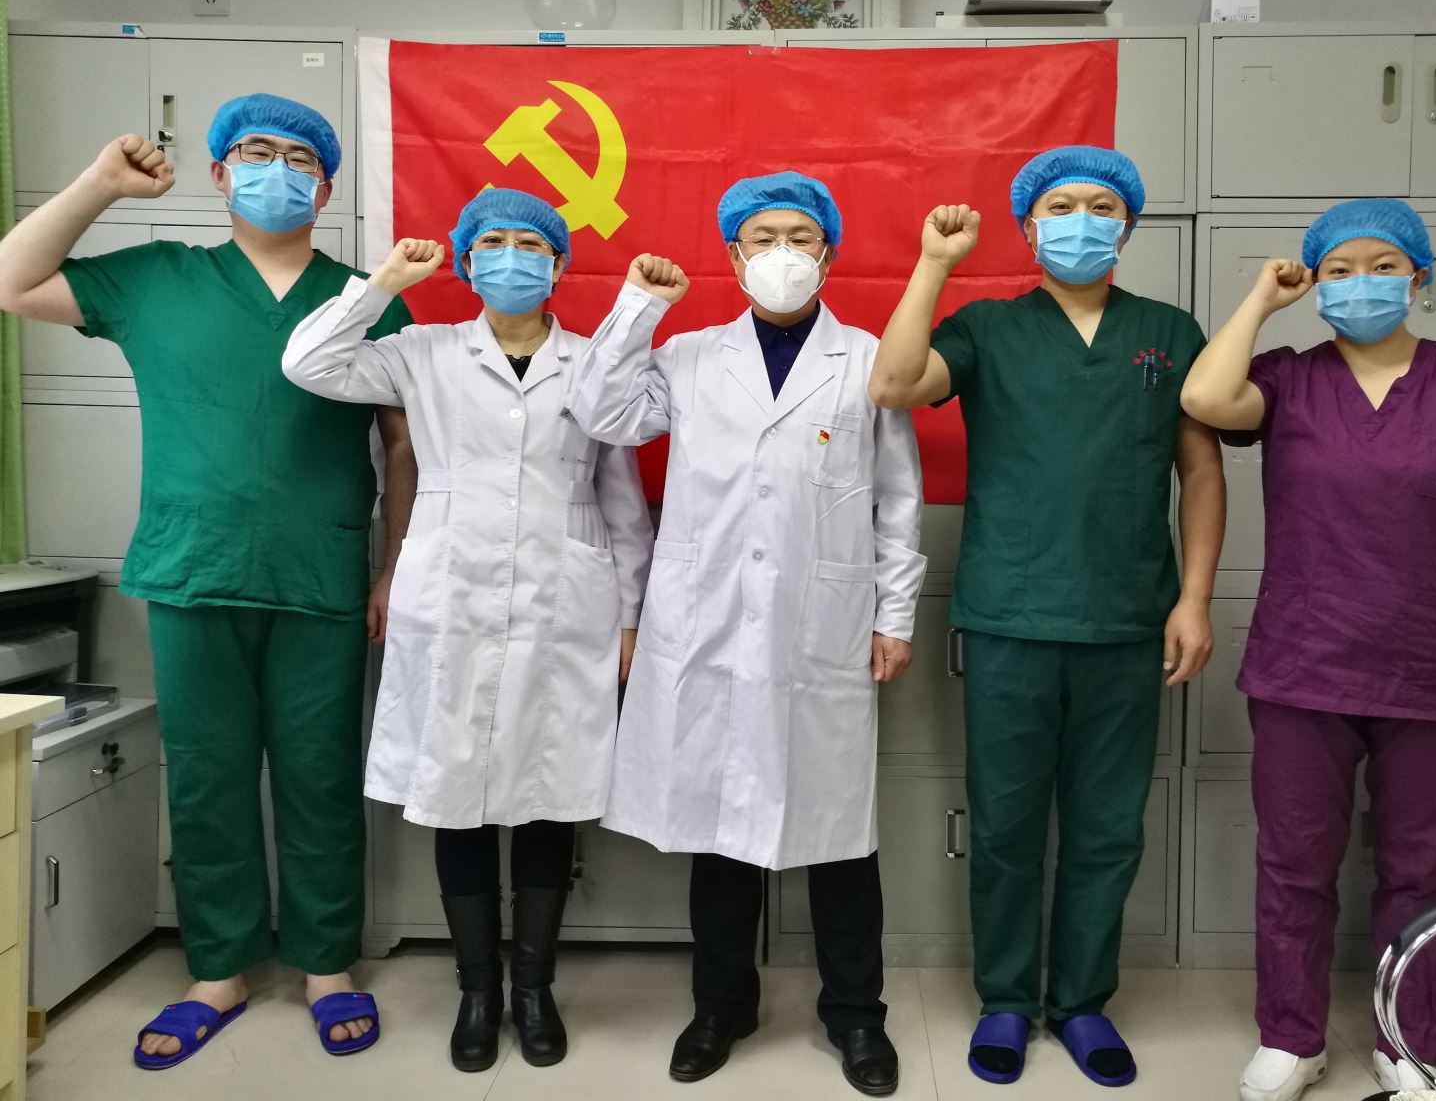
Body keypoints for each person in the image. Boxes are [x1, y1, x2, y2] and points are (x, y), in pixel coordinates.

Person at [0, 94, 415, 1066]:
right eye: (258, 153)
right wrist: (101, 185)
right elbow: (14, 281)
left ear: (326, 187)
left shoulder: (368, 297)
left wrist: (392, 567)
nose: (279, 171)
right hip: (193, 573)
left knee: (320, 777)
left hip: (319, 575)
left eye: (301, 159)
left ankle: (326, 964)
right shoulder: (158, 279)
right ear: (221, 174)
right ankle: (219, 968)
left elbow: (403, 447)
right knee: (207, 776)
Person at [868, 146, 1224, 1088]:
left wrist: (1193, 598)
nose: (1080, 222)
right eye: (1060, 208)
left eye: (1101, 207)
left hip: (1127, 621)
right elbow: (894, 385)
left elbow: (1200, 472)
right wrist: (933, 263)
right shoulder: (988, 327)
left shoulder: (1167, 331)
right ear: (1028, 227)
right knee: (1005, 826)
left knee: (1108, 828)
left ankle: (1081, 1004)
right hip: (1010, 618)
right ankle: (1006, 999)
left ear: (1127, 225)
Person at [568, 172, 926, 1096]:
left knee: (840, 833)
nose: (782, 254)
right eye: (763, 237)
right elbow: (601, 412)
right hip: (710, 628)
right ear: (732, 255)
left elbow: (897, 499)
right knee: (720, 826)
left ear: (828, 254)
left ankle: (857, 1015)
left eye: (800, 237)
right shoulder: (688, 357)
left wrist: (893, 613)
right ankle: (721, 1006)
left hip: (822, 629)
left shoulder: (866, 359)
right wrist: (637, 306)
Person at [282, 188, 652, 1073]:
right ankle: (478, 990)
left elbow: (622, 500)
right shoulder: (423, 352)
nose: (512, 257)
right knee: (458, 792)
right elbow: (309, 362)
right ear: (468, 260)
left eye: (531, 244)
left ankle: (535, 986)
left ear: (559, 265)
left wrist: (631, 614)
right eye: (493, 242)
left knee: (551, 793)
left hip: (567, 605)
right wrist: (382, 283)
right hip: (451, 600)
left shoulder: (592, 363)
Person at [1178, 198, 1436, 1101]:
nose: (1360, 283)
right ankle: (1291, 1037)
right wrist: (1263, 299)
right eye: (1337, 270)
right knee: (1293, 862)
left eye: (1383, 266)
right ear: (1316, 283)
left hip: (1435, 664)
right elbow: (1205, 398)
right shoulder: (1287, 378)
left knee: (1424, 868)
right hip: (1304, 663)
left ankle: (1409, 1042)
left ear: (1420, 277)